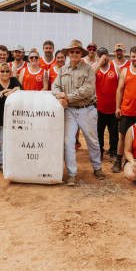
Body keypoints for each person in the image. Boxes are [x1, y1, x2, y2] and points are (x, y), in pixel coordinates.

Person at [52, 40, 106, 186]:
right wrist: (59, 95)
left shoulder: (88, 69)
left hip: (86, 109)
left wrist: (67, 97)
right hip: (69, 110)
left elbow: (87, 90)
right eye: (71, 52)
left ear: (81, 53)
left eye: (77, 52)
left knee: (92, 141)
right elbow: (55, 86)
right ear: (68, 54)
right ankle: (72, 174)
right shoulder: (62, 70)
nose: (74, 54)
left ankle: (97, 168)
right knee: (68, 142)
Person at [93, 47, 120, 163]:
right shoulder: (94, 68)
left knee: (113, 132)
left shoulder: (116, 68)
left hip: (113, 108)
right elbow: (90, 76)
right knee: (98, 132)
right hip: (98, 108)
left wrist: (119, 106)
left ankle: (113, 153)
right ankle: (99, 152)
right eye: (101, 55)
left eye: (105, 55)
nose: (103, 57)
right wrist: (99, 62)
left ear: (109, 56)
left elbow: (121, 88)